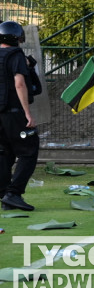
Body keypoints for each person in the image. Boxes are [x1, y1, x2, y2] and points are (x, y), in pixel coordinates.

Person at [0, 21, 38, 212]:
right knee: (28, 151)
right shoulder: (16, 56)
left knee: (4, 152)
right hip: (14, 114)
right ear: (15, 38)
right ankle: (13, 194)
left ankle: (4, 192)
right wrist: (27, 113)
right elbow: (20, 84)